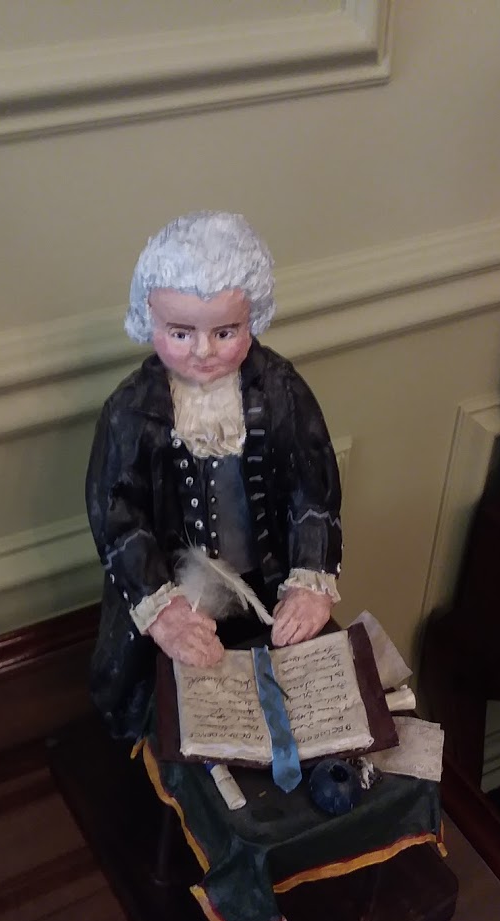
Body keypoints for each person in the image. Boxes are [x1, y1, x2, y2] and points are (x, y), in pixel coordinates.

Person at [86, 211, 342, 740]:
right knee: (165, 716)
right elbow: (118, 519)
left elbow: (312, 491)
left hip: (269, 590)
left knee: (299, 707)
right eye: (181, 332)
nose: (203, 351)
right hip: (175, 599)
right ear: (150, 320)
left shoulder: (281, 392)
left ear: (253, 319)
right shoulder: (130, 412)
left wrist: (310, 580)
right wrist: (163, 609)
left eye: (225, 332)